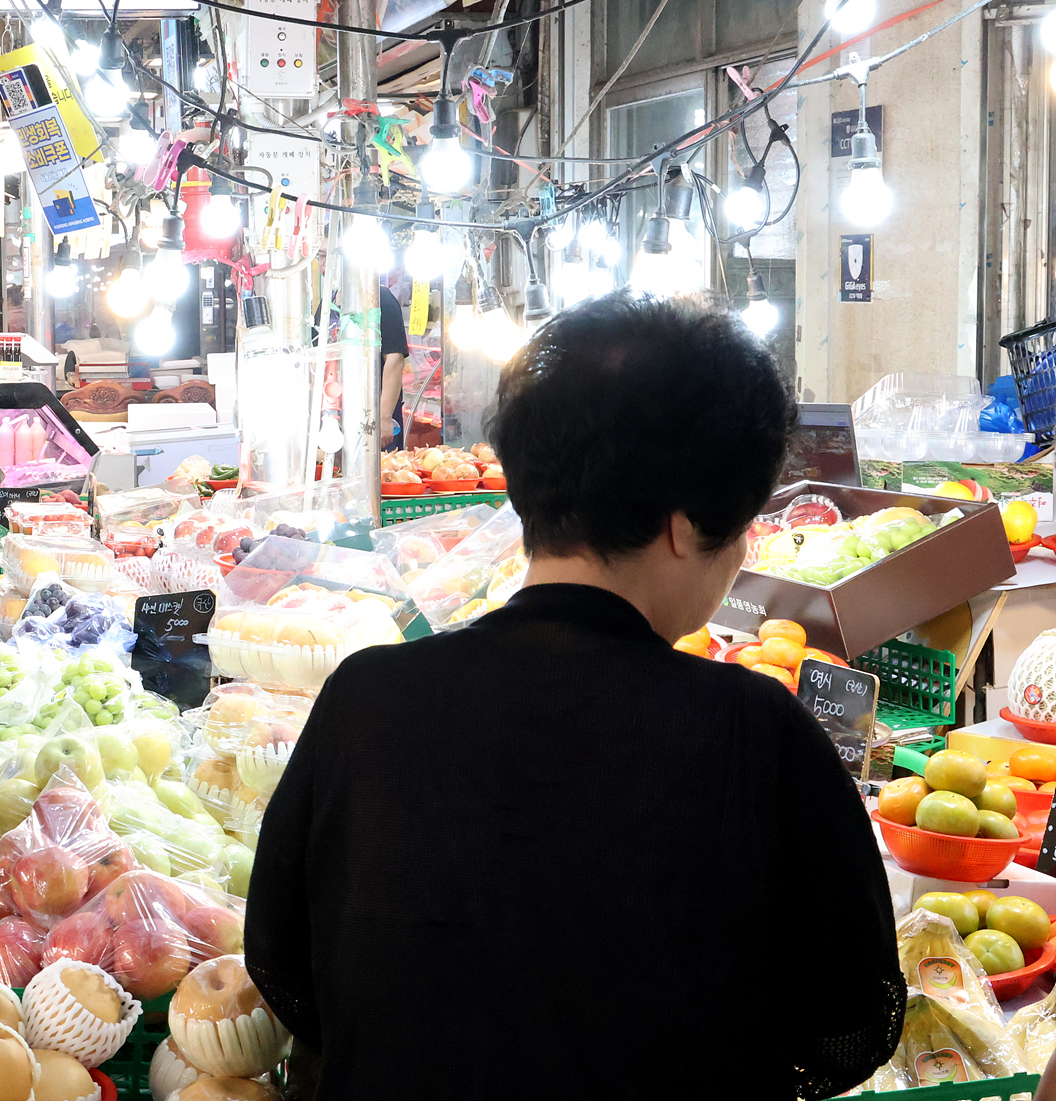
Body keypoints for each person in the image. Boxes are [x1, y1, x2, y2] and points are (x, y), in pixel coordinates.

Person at [244, 292, 902, 1100]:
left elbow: (280, 961)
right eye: (741, 524)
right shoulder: (757, 732)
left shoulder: (366, 697)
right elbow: (854, 1022)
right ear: (682, 524)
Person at [379, 276, 409, 450]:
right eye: (320, 257)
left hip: (376, 413)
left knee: (386, 470)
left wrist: (384, 417)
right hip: (337, 414)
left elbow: (395, 360)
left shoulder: (382, 299)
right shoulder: (328, 303)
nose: (323, 264)